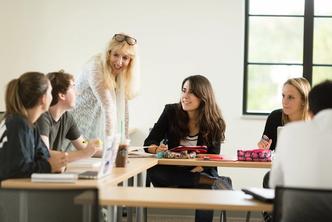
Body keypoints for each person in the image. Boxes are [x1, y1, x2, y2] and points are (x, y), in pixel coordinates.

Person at [144, 75, 232, 222]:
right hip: (172, 170)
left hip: (200, 169)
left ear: (203, 96)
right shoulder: (170, 112)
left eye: (191, 92)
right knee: (153, 170)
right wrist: (157, 149)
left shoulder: (215, 122)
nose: (185, 96)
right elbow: (149, 142)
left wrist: (196, 168)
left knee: (206, 190)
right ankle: (210, 181)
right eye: (183, 90)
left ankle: (206, 180)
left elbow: (212, 157)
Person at [269, 80, 332, 221]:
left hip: (296, 216)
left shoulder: (289, 132)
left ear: (310, 109)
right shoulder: (276, 118)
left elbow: (275, 183)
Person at [71, 33, 140, 144]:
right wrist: (110, 148)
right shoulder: (96, 66)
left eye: (125, 58)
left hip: (96, 121)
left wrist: (124, 143)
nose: (119, 62)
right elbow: (108, 107)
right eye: (116, 55)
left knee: (93, 155)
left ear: (131, 61)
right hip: (76, 119)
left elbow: (124, 110)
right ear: (109, 53)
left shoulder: (122, 75)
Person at [0, 72, 67, 181]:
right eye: (50, 92)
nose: (52, 96)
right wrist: (50, 166)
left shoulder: (30, 125)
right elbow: (18, 170)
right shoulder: (18, 124)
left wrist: (55, 164)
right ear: (43, 99)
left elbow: (43, 156)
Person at [36, 71, 102, 162]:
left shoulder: (67, 117)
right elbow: (45, 154)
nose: (77, 92)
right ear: (62, 95)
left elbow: (83, 143)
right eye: (73, 87)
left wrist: (94, 147)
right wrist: (84, 153)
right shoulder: (42, 117)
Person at [257, 77, 311, 151]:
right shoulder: (274, 117)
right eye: (283, 96)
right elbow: (266, 148)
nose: (284, 102)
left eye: (290, 97)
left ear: (303, 101)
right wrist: (263, 148)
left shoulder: (314, 121)